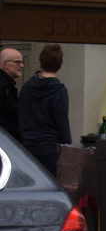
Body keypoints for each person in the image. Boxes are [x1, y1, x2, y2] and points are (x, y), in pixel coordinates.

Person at [18, 44, 72, 177]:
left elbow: (20, 115)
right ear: (60, 65)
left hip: (27, 146)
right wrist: (67, 145)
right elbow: (62, 122)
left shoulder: (26, 88)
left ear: (40, 64)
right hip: (49, 148)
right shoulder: (59, 91)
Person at [0, 48, 23, 140]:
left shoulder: (8, 85)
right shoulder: (3, 85)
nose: (21, 66)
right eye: (17, 62)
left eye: (21, 62)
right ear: (5, 64)